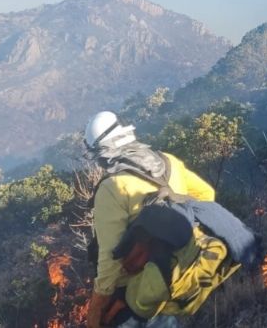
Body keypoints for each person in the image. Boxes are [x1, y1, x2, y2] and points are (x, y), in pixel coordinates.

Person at [84, 111, 217, 328]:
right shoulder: (168, 161)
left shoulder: (112, 188)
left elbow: (110, 258)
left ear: (102, 153)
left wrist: (96, 308)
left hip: (138, 292)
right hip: (179, 271)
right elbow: (206, 195)